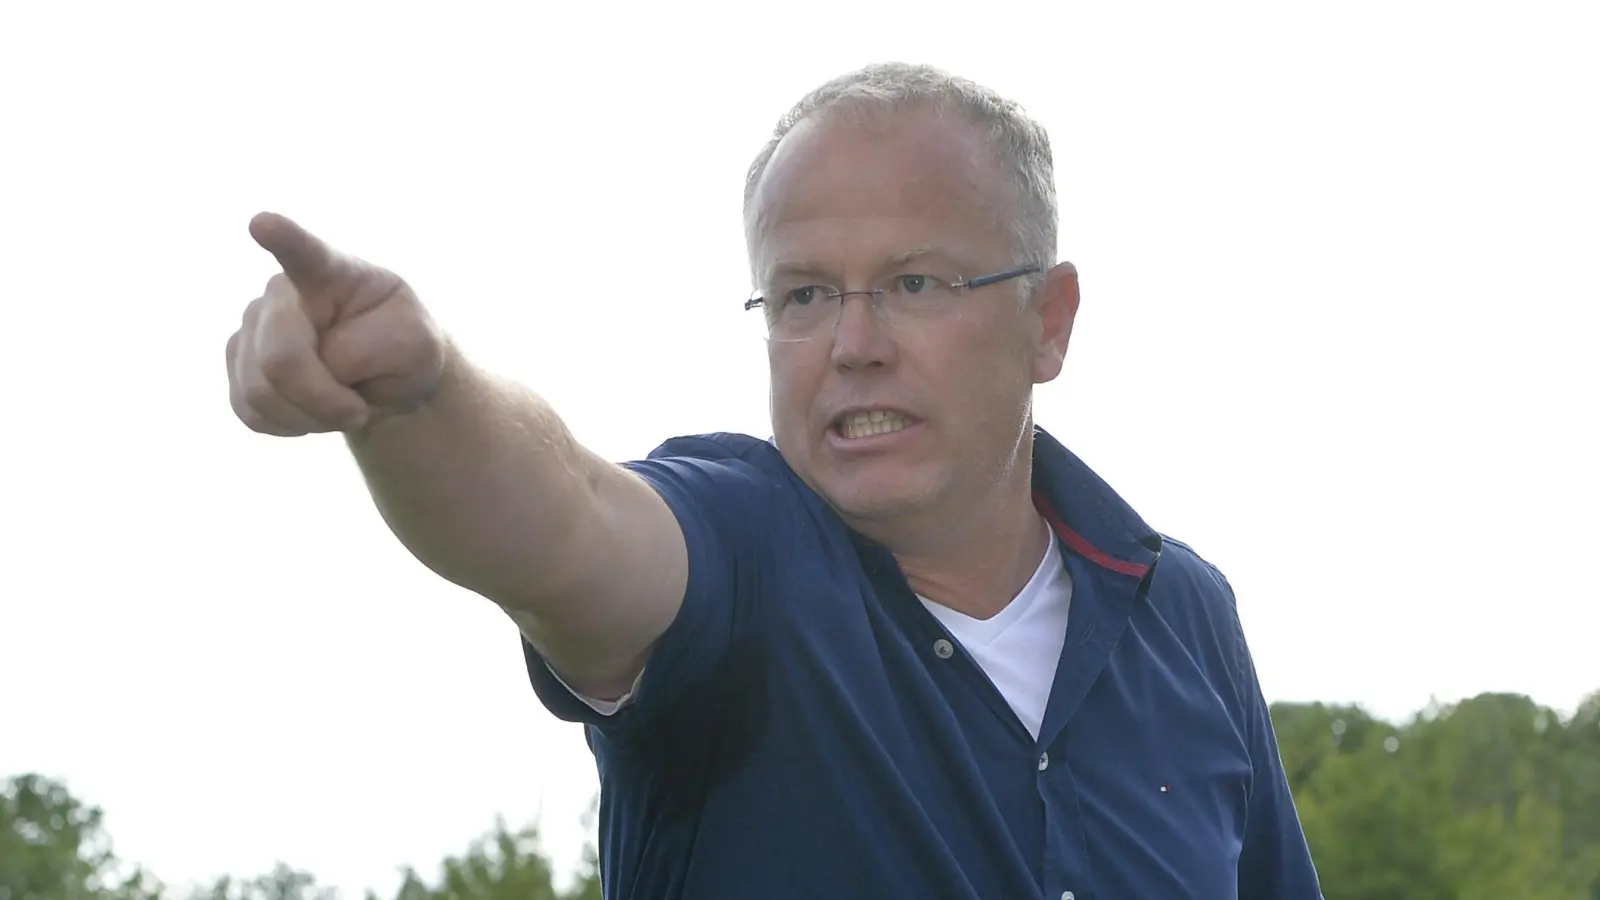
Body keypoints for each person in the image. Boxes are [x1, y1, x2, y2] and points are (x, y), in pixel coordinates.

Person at [226, 62, 1324, 900]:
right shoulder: (742, 550)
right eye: (801, 295)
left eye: (912, 281)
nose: (853, 342)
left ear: (1049, 320)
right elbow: (563, 524)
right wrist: (421, 394)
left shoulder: (1179, 611)